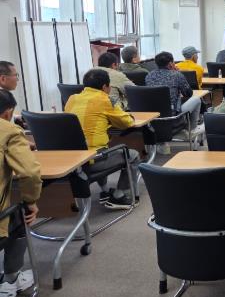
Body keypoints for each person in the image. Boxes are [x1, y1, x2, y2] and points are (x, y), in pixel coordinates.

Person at [65, 69, 139, 209]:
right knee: (133, 155)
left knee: (103, 147)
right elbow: (127, 122)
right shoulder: (105, 99)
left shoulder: (72, 99)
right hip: (92, 160)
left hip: (72, 159)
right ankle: (119, 195)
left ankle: (105, 191)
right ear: (105, 86)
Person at [0, 90, 41, 297]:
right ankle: (10, 278)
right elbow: (30, 173)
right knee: (20, 213)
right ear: (8, 113)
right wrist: (31, 202)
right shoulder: (9, 130)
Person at [145, 52, 202, 136]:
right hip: (173, 117)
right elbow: (188, 93)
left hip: (153, 118)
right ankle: (192, 129)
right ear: (170, 64)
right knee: (197, 99)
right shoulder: (176, 75)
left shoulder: (149, 76)